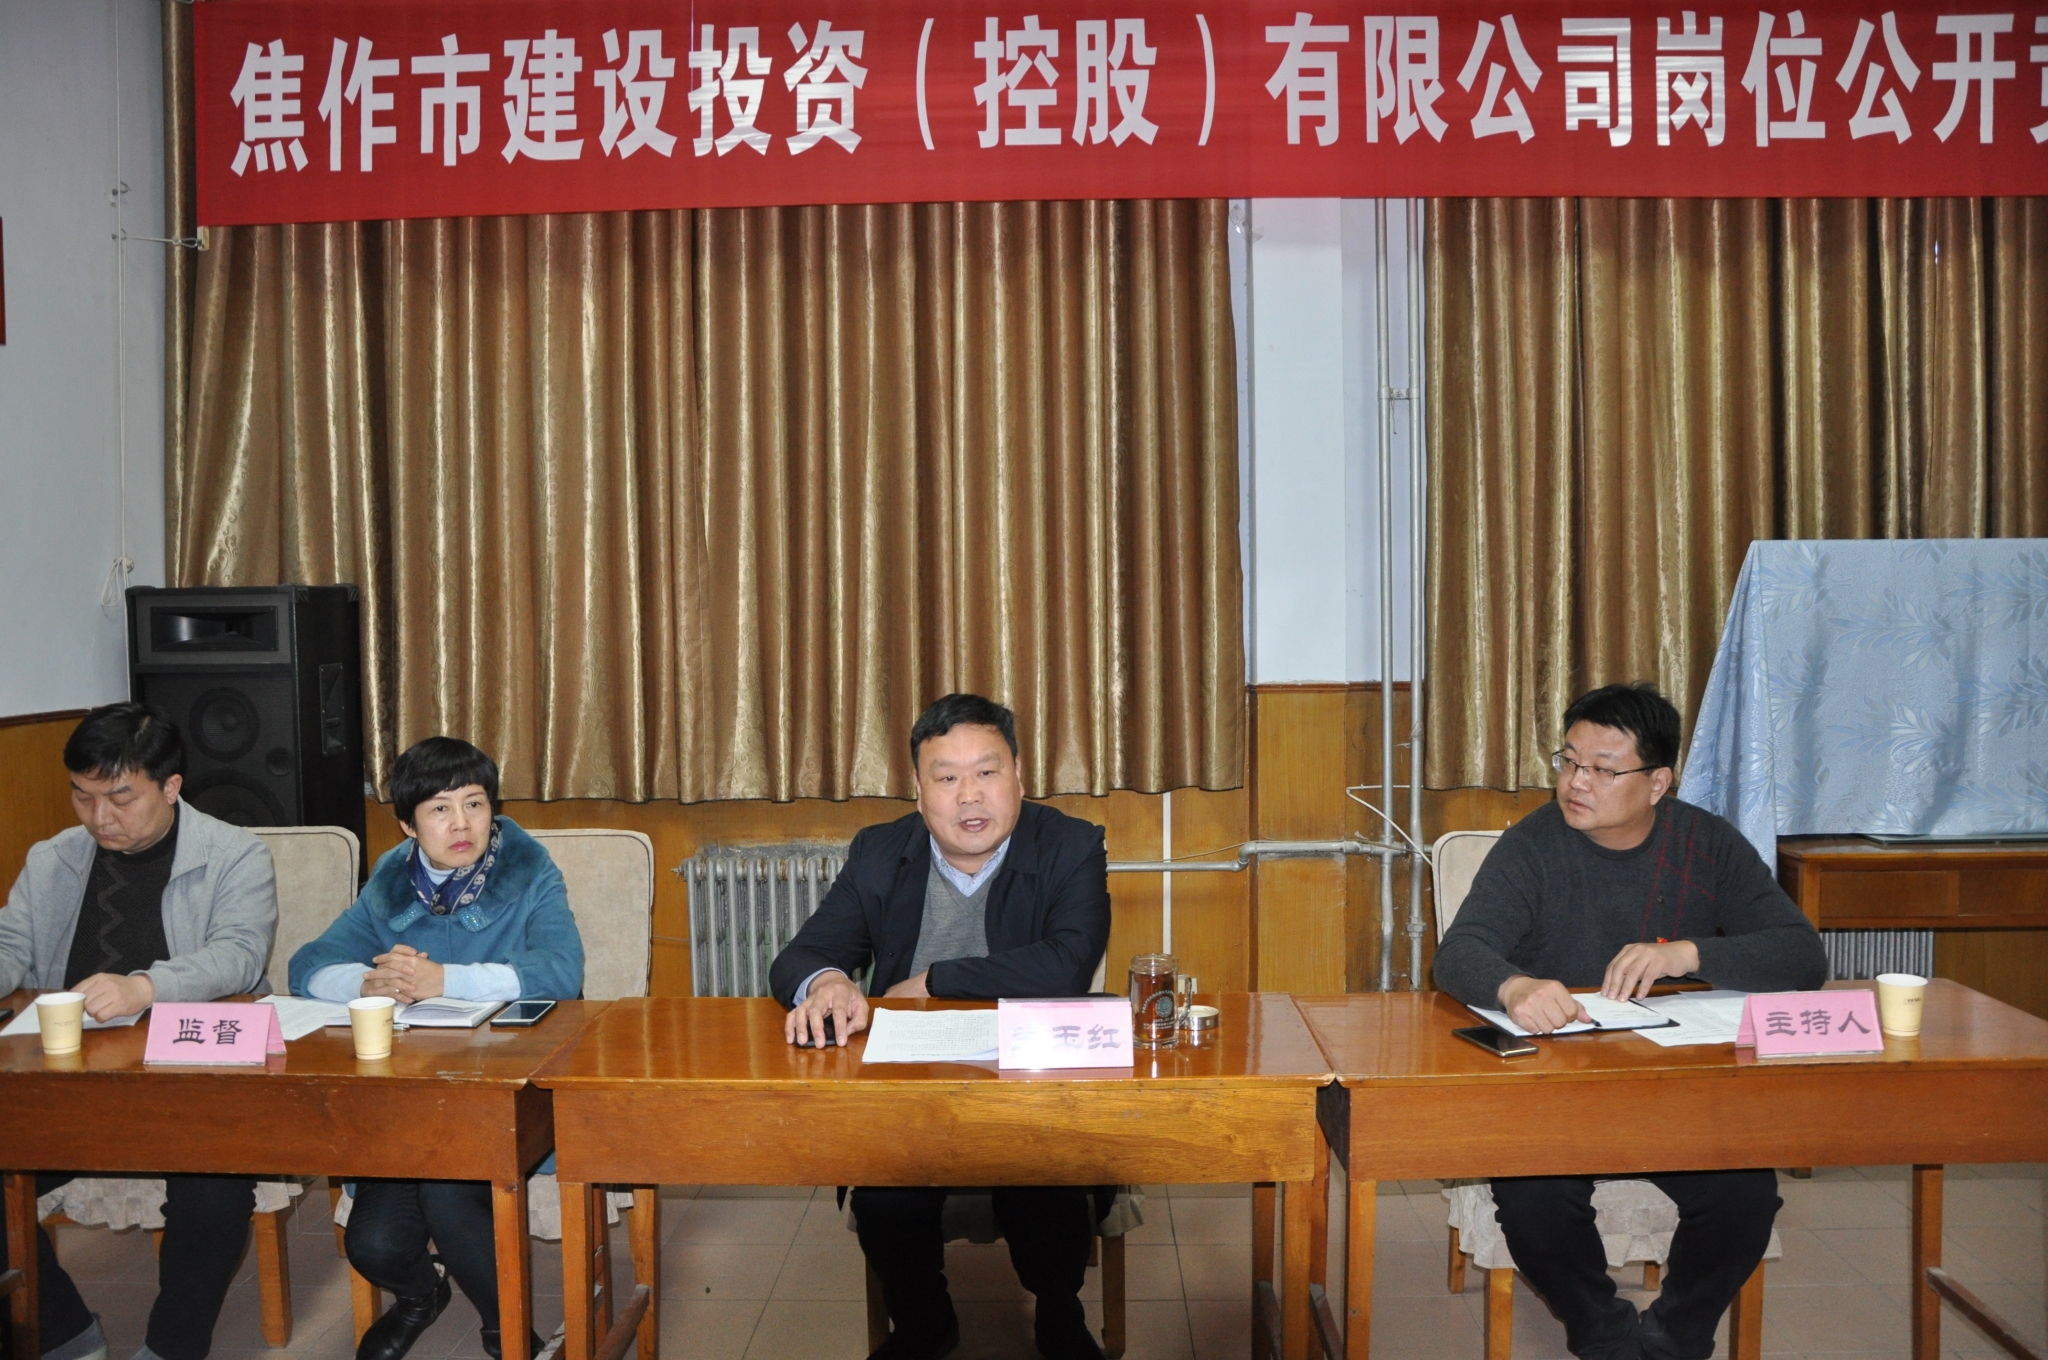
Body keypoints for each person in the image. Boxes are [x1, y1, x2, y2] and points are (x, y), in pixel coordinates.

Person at [1434, 682, 1828, 1360]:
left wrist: (1689, 953)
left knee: (1744, 1195)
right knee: (1534, 1199)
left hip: (1673, 1086)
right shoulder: (1534, 845)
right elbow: (1459, 951)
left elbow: (1802, 956)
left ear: (1657, 783)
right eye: (1568, 761)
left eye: (1602, 768)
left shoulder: (1706, 843)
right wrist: (1515, 984)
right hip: (1555, 1087)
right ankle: (1605, 1338)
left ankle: (1676, 1338)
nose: (1575, 782)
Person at [770, 694, 1112, 1360]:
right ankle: (925, 1322)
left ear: (1019, 775)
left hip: (1029, 1082)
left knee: (1047, 1182)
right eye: (947, 777)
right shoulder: (880, 851)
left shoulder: (1070, 845)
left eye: (986, 772)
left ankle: (1059, 1315)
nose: (969, 796)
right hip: (911, 1086)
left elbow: (1067, 964)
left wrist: (935, 981)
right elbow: (801, 955)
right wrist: (830, 980)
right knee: (885, 1199)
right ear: (919, 789)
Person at [289, 737, 583, 1360]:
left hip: (507, 1092)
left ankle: (509, 1337)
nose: (462, 824)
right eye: (440, 810)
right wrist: (365, 982)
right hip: (408, 1101)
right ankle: (423, 1295)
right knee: (373, 1245)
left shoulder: (528, 870)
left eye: (475, 804)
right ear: (407, 825)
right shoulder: (391, 884)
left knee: (448, 1196)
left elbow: (562, 971)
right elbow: (306, 966)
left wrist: (446, 980)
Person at [0, 703, 278, 1360]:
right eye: (83, 795)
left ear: (171, 786)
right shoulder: (53, 859)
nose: (99, 817)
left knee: (213, 1192)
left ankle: (171, 1349)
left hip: (194, 1083)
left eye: (120, 798)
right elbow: (11, 947)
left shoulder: (234, 854)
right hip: (65, 1084)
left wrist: (144, 987)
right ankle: (67, 1337)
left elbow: (239, 954)